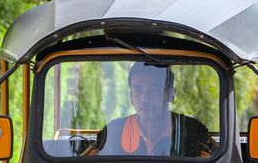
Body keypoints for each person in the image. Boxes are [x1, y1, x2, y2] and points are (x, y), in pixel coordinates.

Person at [84, 61, 215, 157]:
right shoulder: (114, 131)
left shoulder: (192, 131)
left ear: (170, 94)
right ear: (131, 96)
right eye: (138, 90)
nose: (145, 98)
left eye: (154, 90)